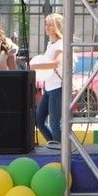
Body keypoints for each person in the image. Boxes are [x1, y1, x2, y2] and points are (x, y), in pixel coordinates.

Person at [31, 14, 64, 146]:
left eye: (50, 24)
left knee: (55, 123)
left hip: (58, 87)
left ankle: (60, 150)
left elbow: (56, 63)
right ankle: (56, 146)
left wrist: (35, 66)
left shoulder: (61, 44)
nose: (47, 27)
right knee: (38, 120)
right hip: (49, 87)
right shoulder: (50, 44)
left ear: (57, 27)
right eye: (46, 24)